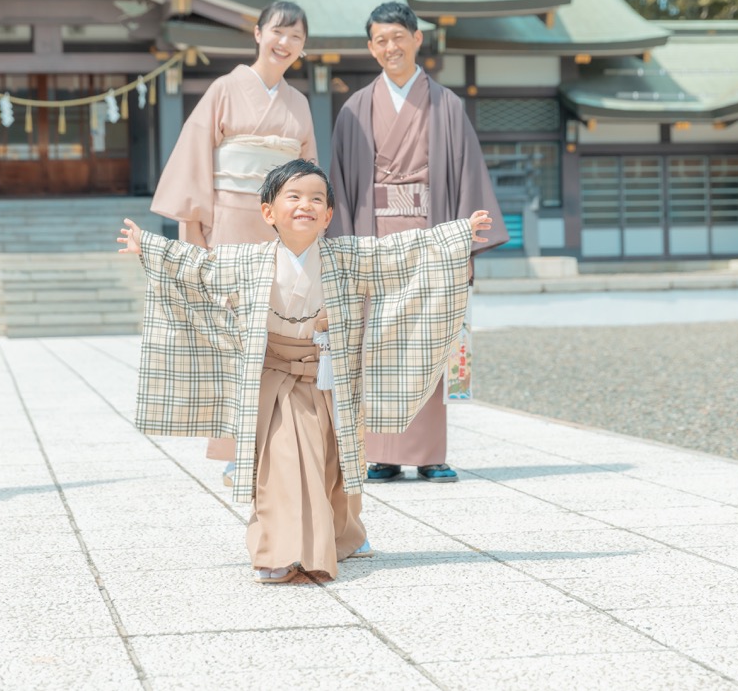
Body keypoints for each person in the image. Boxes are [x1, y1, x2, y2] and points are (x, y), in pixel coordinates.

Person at [119, 159, 492, 583]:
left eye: (316, 199)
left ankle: (342, 535)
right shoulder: (246, 259)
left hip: (327, 376)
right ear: (268, 211)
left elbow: (400, 251)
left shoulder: (348, 255)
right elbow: (200, 266)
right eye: (293, 197)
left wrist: (457, 234)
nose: (305, 205)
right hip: (276, 380)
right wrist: (149, 247)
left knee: (332, 465)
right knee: (280, 464)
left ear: (329, 215)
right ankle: (277, 551)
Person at [328, 1, 509, 485]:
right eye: (381, 40)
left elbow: (467, 177)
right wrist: (343, 254)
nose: (391, 47)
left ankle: (430, 452)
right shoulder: (354, 109)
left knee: (428, 344)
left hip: (432, 238)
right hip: (375, 241)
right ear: (371, 48)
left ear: (416, 39)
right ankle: (381, 453)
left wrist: (463, 248)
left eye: (398, 37)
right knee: (377, 346)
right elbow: (341, 185)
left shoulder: (446, 105)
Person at [149, 1, 317, 485]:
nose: (285, 43)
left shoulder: (299, 104)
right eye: (278, 32)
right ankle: (235, 449)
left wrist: (307, 228)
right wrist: (195, 231)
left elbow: (308, 173)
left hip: (281, 231)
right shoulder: (224, 89)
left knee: (282, 337)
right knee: (232, 341)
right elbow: (195, 158)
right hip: (229, 225)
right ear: (258, 34)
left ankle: (276, 441)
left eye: (296, 37)